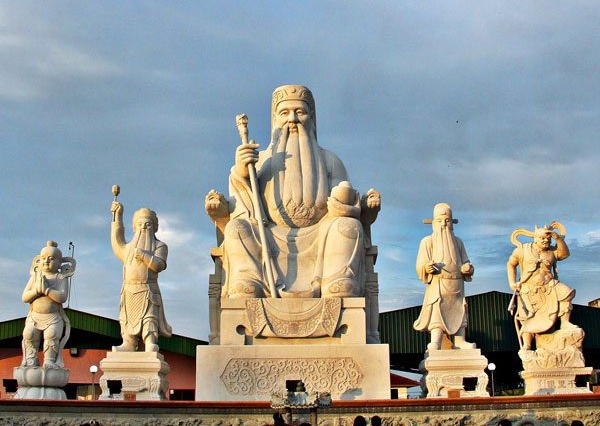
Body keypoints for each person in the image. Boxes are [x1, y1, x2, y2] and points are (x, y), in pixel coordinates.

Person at [206, 84, 381, 299]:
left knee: (348, 226)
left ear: (311, 118)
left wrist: (349, 202)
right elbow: (244, 204)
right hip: (269, 234)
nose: (293, 119)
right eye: (284, 113)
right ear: (275, 120)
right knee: (236, 228)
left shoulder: (330, 160)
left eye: (300, 112)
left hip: (320, 234)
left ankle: (336, 280)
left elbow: (345, 202)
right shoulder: (259, 160)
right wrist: (241, 172)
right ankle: (250, 280)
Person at [110, 202, 172, 352]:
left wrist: (144, 256)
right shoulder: (128, 248)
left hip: (148, 288)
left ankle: (150, 340)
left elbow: (159, 265)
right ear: (134, 227)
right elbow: (116, 242)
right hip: (129, 288)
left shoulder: (159, 246)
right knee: (126, 317)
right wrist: (117, 216)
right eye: (140, 224)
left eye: (147, 224)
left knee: (149, 317)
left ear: (154, 227)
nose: (143, 227)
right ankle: (128, 342)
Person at [413, 203, 475, 351]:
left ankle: (460, 340)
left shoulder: (458, 242)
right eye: (440, 220)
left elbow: (466, 260)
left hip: (457, 284)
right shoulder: (427, 241)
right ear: (434, 222)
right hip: (439, 284)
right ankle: (436, 341)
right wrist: (426, 268)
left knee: (460, 311)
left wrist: (468, 268)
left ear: (452, 222)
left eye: (447, 220)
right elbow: (420, 264)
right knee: (437, 310)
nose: (444, 224)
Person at [507, 223, 576, 351]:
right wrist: (512, 283)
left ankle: (565, 322)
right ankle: (527, 344)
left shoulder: (551, 251)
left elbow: (564, 254)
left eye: (548, 239)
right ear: (536, 238)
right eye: (543, 239)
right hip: (529, 287)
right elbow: (511, 264)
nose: (546, 241)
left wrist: (558, 239)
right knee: (526, 315)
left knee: (567, 292)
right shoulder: (523, 249)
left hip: (549, 285)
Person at [21, 241, 75, 368]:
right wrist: (37, 290)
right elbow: (25, 297)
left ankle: (49, 360)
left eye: (51, 259)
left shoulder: (61, 277)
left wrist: (46, 290)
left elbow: (62, 297)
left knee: (51, 336)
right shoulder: (35, 277)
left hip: (53, 317)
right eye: (43, 258)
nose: (46, 261)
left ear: (59, 262)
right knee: (29, 334)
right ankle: (31, 360)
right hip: (34, 316)